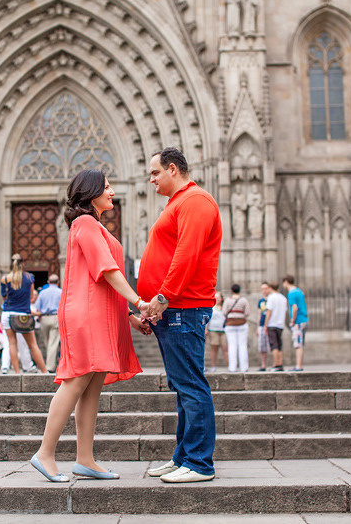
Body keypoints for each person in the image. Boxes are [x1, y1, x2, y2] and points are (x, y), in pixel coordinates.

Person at [31, 169, 148, 483]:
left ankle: (85, 459)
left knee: (91, 388)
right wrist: (139, 301)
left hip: (100, 313)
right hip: (86, 315)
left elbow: (103, 281)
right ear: (92, 192)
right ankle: (45, 452)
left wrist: (129, 318)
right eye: (107, 186)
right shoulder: (85, 223)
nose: (112, 191)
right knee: (76, 381)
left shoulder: (92, 226)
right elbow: (107, 271)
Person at [138, 147, 222, 484]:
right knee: (184, 386)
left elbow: (186, 255)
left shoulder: (195, 201)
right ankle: (183, 457)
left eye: (155, 173)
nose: (152, 180)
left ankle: (200, 463)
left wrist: (162, 297)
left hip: (183, 307)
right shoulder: (179, 203)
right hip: (174, 309)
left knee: (191, 385)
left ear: (173, 169)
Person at [1, 254, 47, 374]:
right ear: (22, 263)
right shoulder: (29, 278)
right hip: (23, 314)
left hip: (8, 313)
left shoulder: (5, 279)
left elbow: (4, 297)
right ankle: (44, 371)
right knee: (33, 345)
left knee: (12, 343)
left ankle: (16, 373)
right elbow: (31, 297)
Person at [35, 274, 62, 371]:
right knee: (52, 344)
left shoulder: (43, 292)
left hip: (44, 319)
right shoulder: (61, 292)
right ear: (58, 282)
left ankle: (50, 366)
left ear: (48, 282)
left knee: (48, 343)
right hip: (55, 318)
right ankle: (51, 366)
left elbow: (37, 307)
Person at [282, 274, 308, 371]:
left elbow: (295, 308)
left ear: (286, 281)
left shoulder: (291, 293)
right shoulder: (299, 291)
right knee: (300, 344)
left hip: (298, 321)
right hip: (304, 319)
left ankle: (298, 366)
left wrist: (292, 320)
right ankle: (299, 365)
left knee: (298, 344)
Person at [222, 284, 251, 373]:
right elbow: (247, 312)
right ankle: (244, 367)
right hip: (242, 323)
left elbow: (224, 312)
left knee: (232, 346)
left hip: (230, 324)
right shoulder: (244, 300)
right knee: (242, 345)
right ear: (239, 290)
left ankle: (232, 367)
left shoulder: (227, 300)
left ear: (231, 290)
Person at [262, 281, 288, 372]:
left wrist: (265, 324)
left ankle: (276, 364)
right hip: (280, 324)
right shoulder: (283, 298)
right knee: (279, 345)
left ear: (270, 288)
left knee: (274, 345)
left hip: (272, 323)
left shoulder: (271, 298)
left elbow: (269, 312)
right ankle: (280, 363)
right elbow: (285, 311)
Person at [206, 292, 227, 372]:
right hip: (213, 330)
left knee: (225, 349)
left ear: (222, 298)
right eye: (216, 298)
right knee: (214, 348)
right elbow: (208, 319)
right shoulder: (212, 307)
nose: (217, 299)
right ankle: (213, 366)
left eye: (219, 297)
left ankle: (230, 365)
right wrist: (206, 329)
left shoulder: (225, 307)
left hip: (224, 330)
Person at [256, 286, 271, 371]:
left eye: (266, 288)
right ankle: (263, 365)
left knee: (271, 345)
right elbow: (259, 314)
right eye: (262, 289)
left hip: (270, 325)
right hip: (262, 324)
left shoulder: (272, 299)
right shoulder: (261, 301)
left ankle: (272, 364)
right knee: (262, 346)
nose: (264, 290)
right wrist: (258, 327)